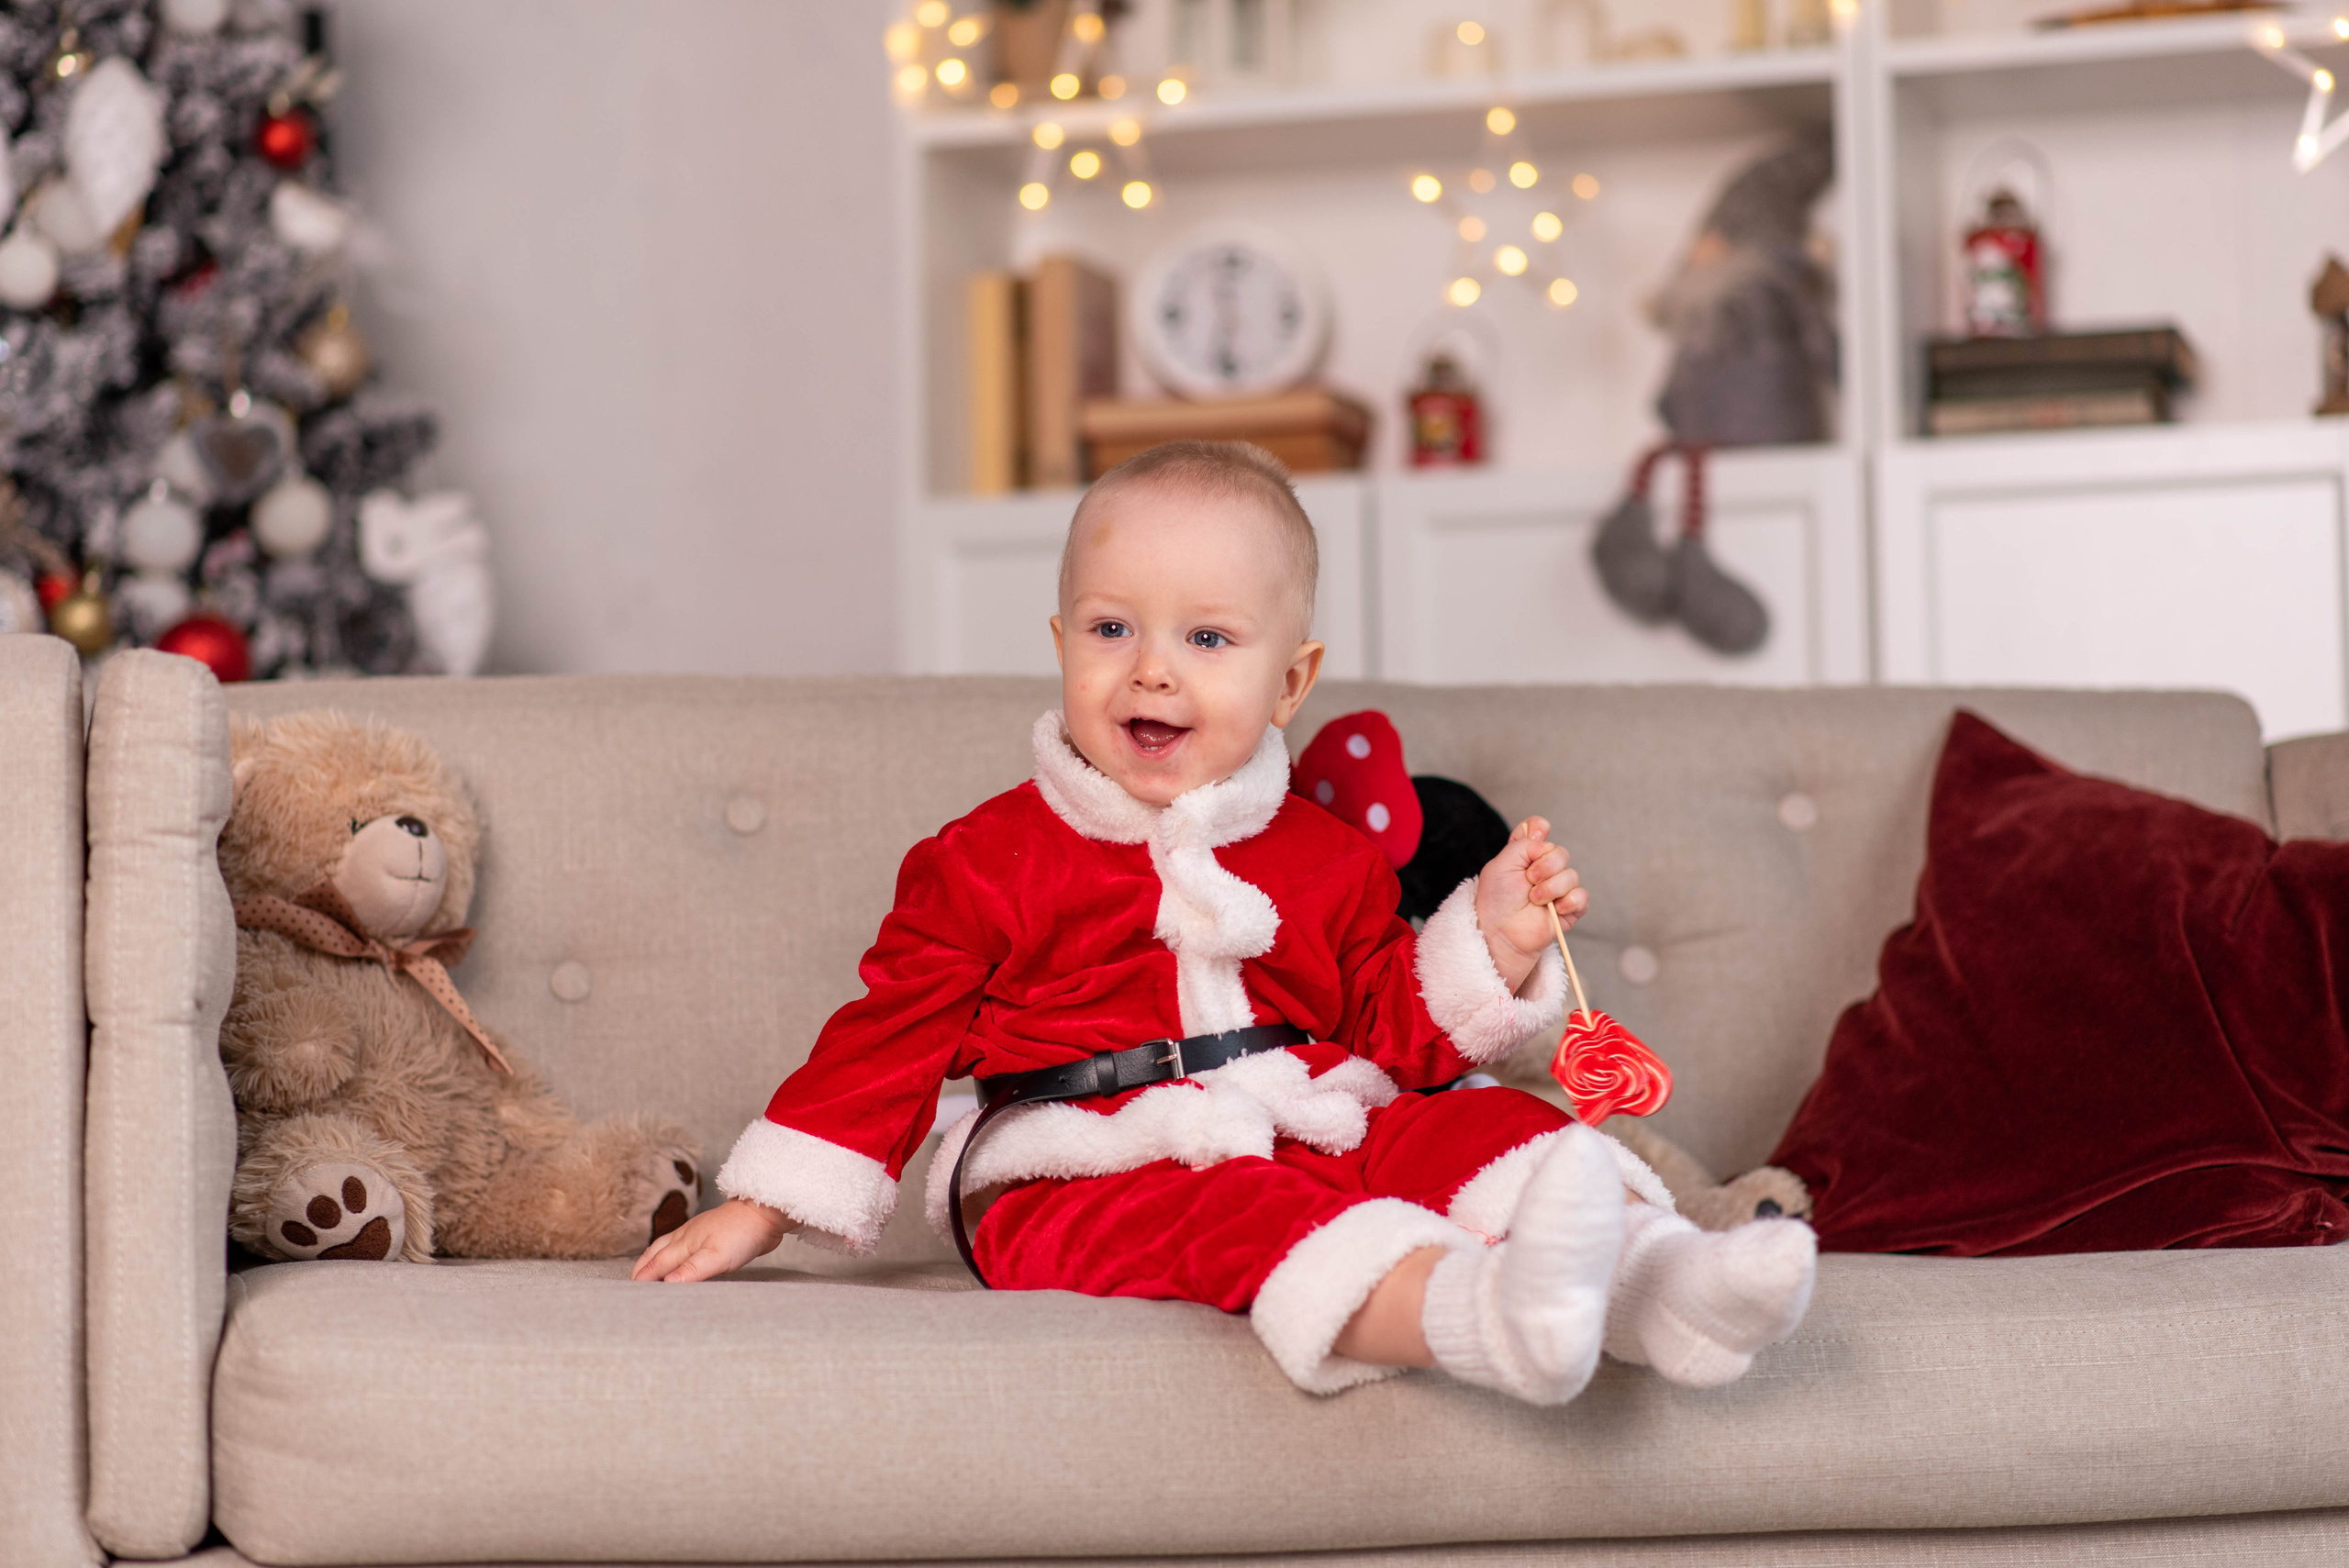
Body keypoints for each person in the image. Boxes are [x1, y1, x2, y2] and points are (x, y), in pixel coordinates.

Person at [634, 440, 1816, 1404]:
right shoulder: (984, 860)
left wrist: (1494, 939)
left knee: (1483, 1126)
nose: (1152, 672)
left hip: (1303, 1115)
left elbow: (1389, 1032)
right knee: (1242, 1215)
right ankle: (1480, 1320)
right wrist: (767, 1203)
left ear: (1289, 682)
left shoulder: (1324, 855)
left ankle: (1669, 1285)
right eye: (1111, 630)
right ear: (1058, 646)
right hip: (1077, 1167)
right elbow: (889, 1036)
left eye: (1207, 639)